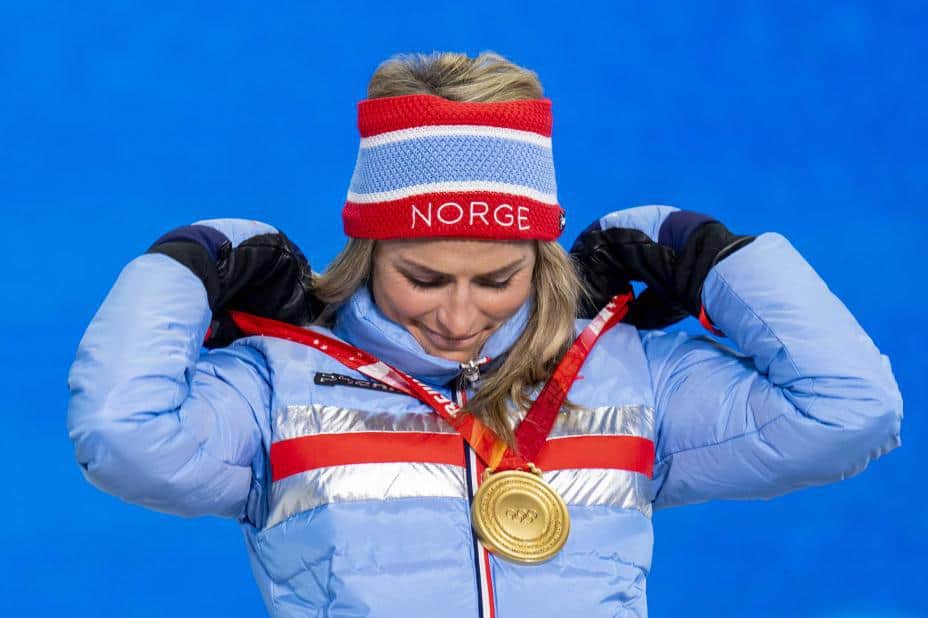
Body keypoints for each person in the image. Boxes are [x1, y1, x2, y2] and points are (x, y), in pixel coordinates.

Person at [67, 51, 903, 617]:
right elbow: (120, 437)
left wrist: (708, 256)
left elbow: (850, 413)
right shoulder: (276, 382)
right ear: (368, 251)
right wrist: (189, 264)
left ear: (539, 258)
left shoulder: (628, 370)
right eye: (424, 279)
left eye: (498, 281)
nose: (459, 317)